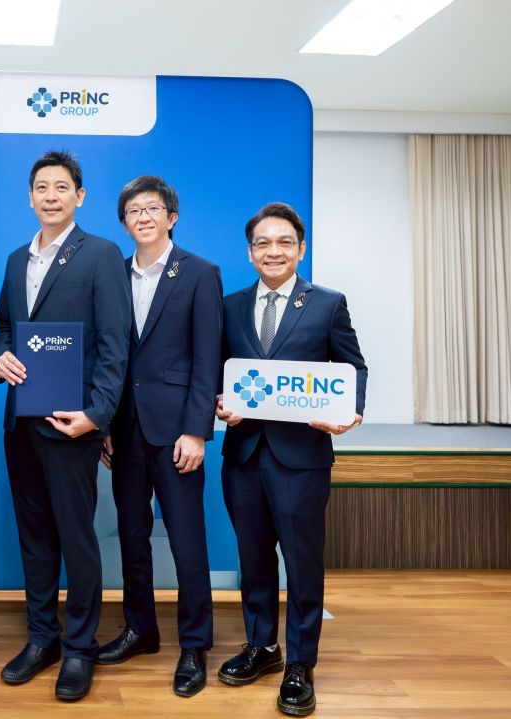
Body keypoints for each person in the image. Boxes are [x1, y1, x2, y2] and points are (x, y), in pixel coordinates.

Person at [215, 202, 366, 717]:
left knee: (302, 564)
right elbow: (215, 372)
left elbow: (352, 367)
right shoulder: (229, 306)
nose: (273, 251)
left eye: (284, 242)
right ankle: (263, 646)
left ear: (300, 249)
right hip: (243, 456)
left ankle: (301, 662)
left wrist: (350, 412)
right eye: (263, 243)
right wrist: (218, 405)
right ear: (250, 252)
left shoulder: (327, 304)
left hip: (302, 458)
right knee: (254, 559)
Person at [0, 150, 130, 701]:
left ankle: (78, 647)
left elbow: (115, 344)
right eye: (42, 188)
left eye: (61, 187)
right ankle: (41, 638)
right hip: (21, 423)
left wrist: (97, 415)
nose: (51, 196)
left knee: (77, 540)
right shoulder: (15, 260)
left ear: (80, 196)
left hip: (73, 425)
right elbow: (4, 326)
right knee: (35, 539)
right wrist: (1, 357)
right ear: (30, 197)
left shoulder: (101, 254)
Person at [96, 176, 222, 697]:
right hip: (124, 429)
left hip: (177, 434)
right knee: (132, 535)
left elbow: (208, 358)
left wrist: (197, 431)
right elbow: (107, 354)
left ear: (172, 217)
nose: (142, 217)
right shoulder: (113, 273)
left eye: (152, 208)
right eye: (133, 211)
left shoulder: (199, 273)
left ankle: (194, 645)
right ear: (124, 223)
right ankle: (140, 629)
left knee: (188, 542)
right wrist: (104, 423)